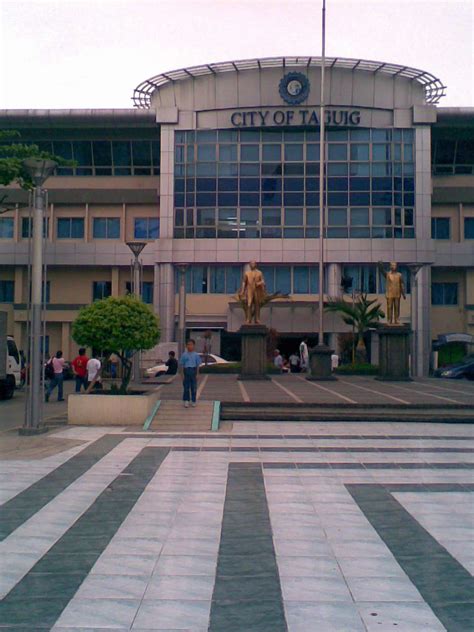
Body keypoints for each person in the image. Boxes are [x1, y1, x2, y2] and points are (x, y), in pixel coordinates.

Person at [179, 339, 201, 408]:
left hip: (193, 371)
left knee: (194, 387)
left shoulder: (196, 355)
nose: (189, 346)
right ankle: (186, 401)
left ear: (194, 346)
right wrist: (182, 374)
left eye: (191, 344)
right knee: (186, 387)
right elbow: (182, 365)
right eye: (188, 344)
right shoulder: (184, 355)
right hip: (186, 371)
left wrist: (197, 374)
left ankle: (193, 401)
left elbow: (198, 365)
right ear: (186, 346)